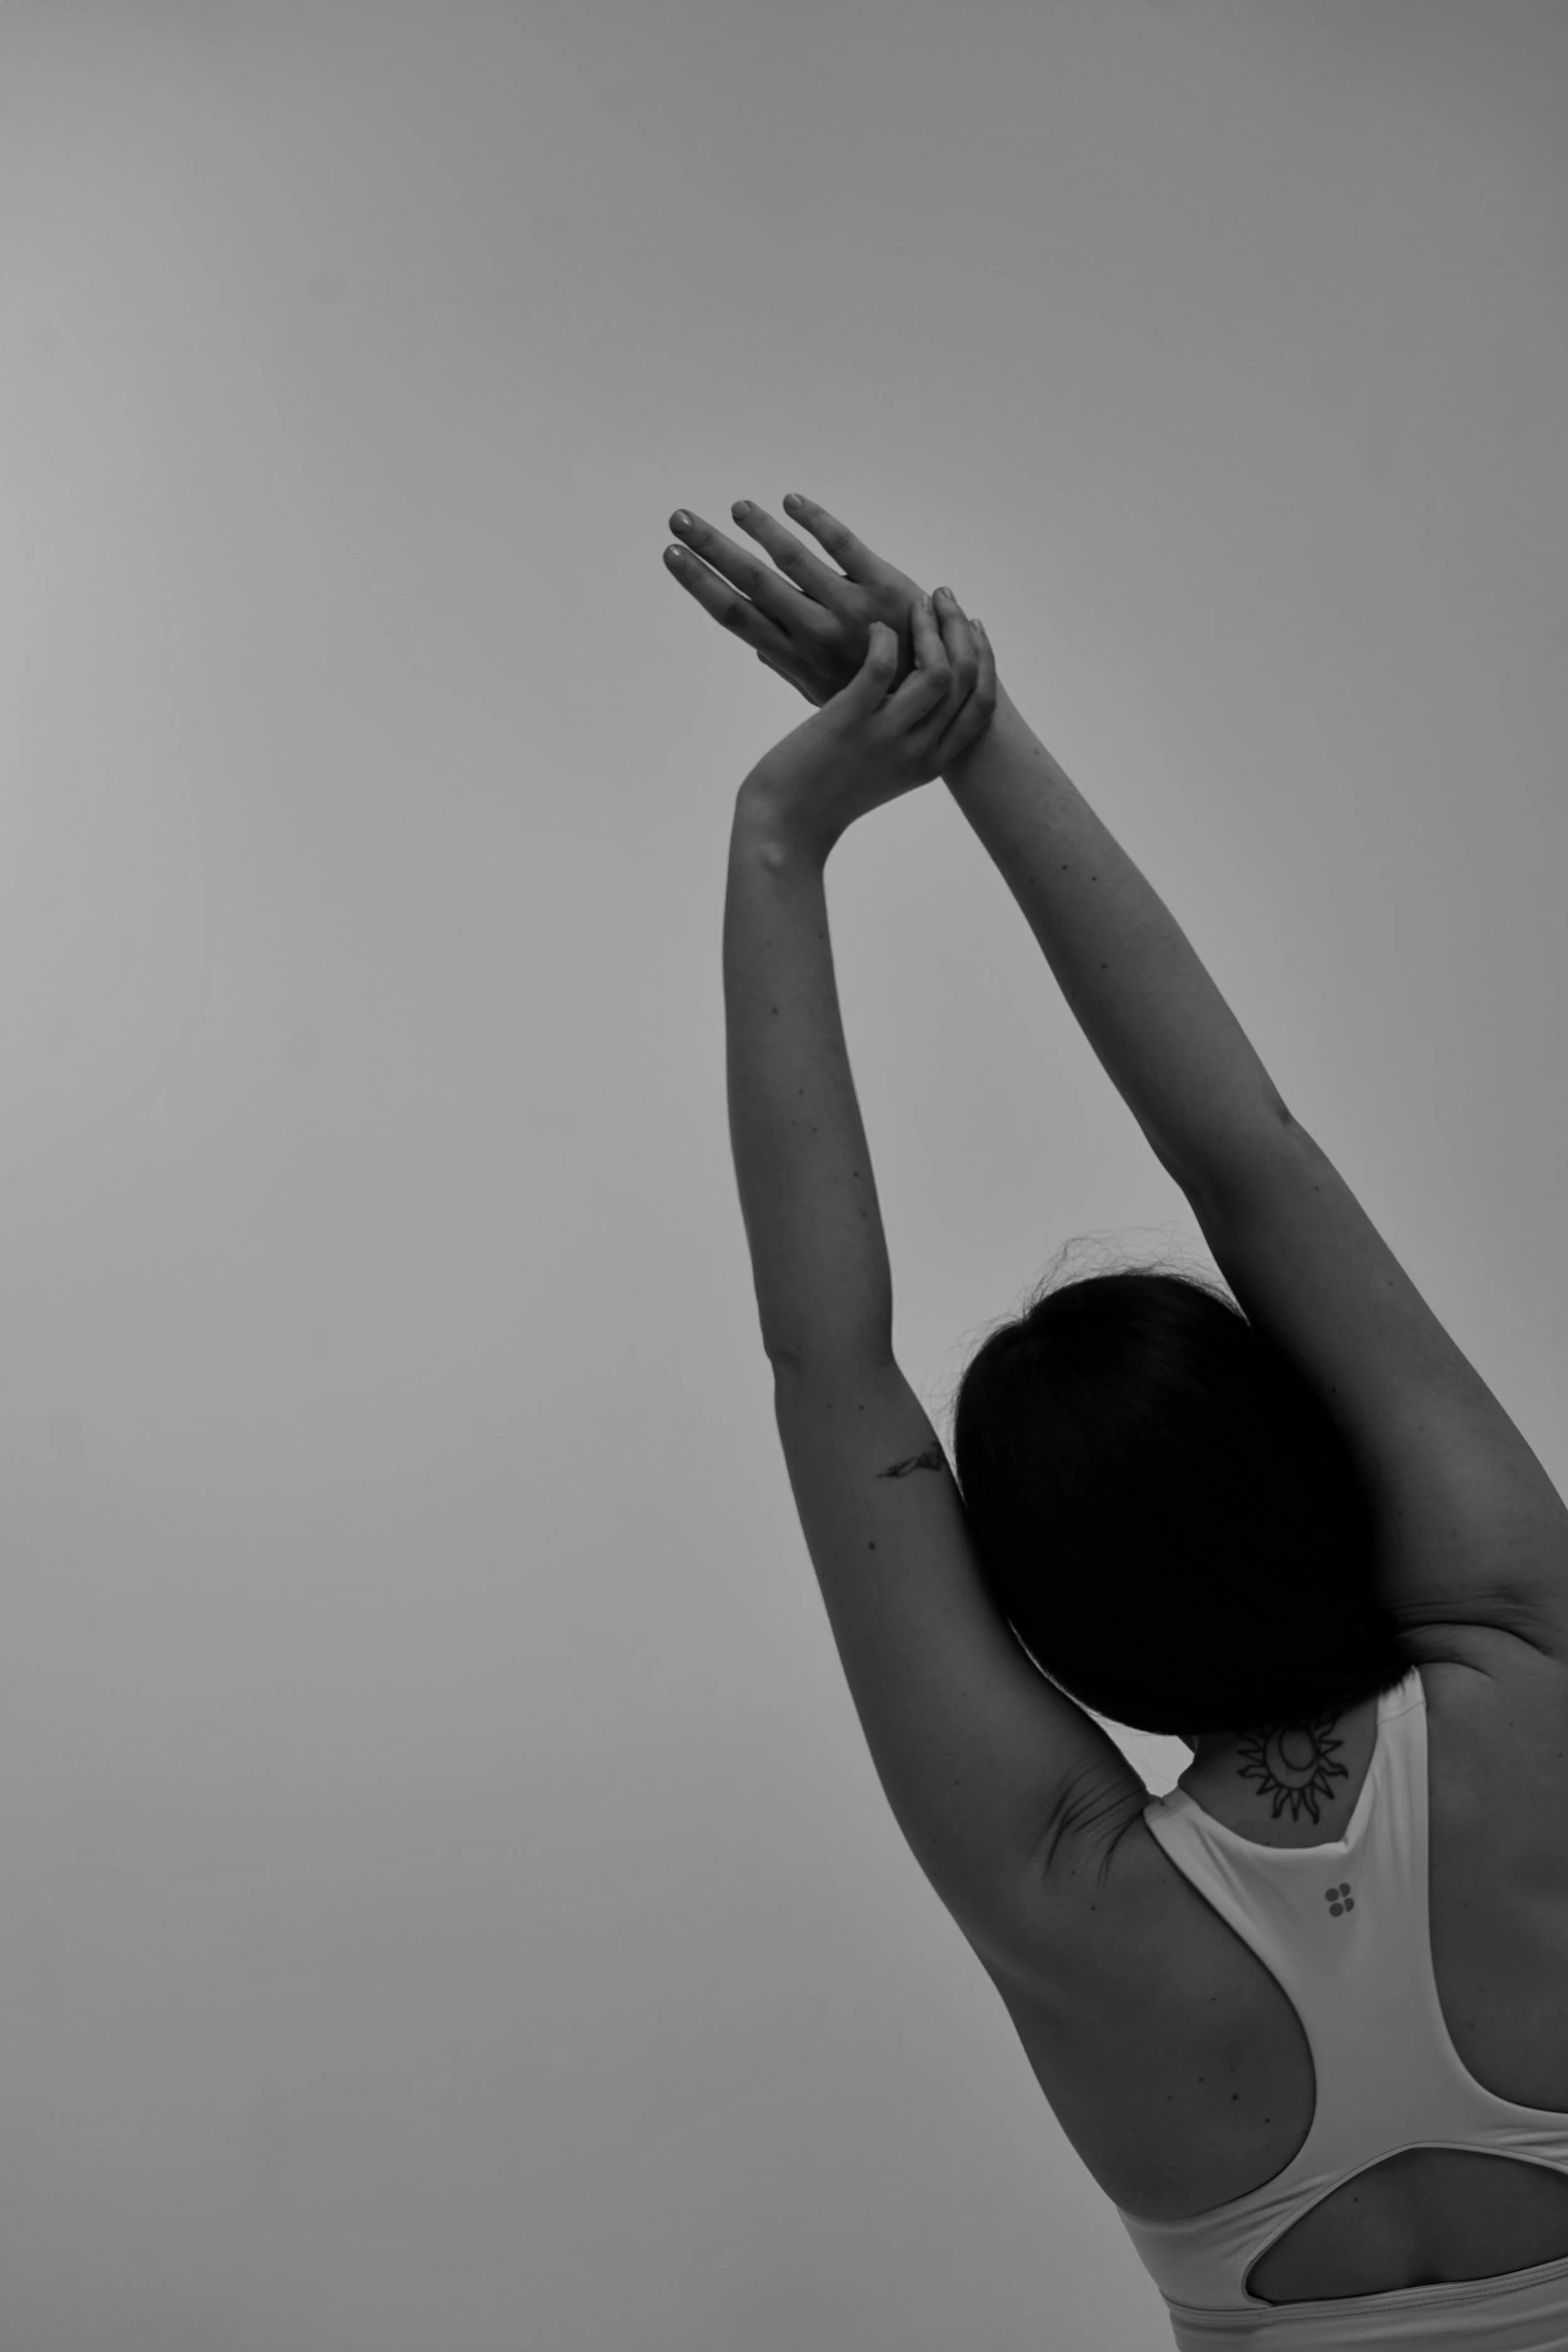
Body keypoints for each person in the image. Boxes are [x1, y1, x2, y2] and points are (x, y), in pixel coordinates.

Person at [665, 492, 1568, 2348]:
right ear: (1315, 1468)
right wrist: (971, 723)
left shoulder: (1066, 1894)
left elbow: (827, 1368)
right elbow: (1248, 1157)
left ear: (1040, 1619)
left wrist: (780, 838)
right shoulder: (1530, 1678)